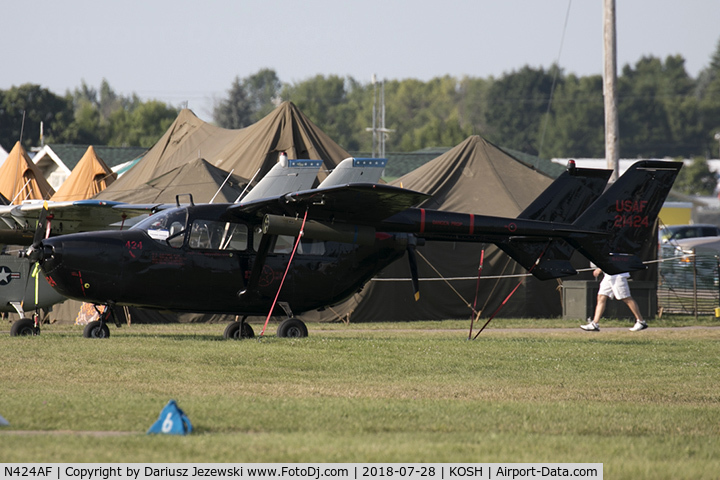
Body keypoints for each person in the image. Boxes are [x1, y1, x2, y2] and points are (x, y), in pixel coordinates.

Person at [581, 267, 648, 332]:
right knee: (601, 297)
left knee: (626, 298)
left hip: (618, 275)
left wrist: (600, 269)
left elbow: (613, 259)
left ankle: (641, 321)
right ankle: (594, 324)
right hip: (609, 275)